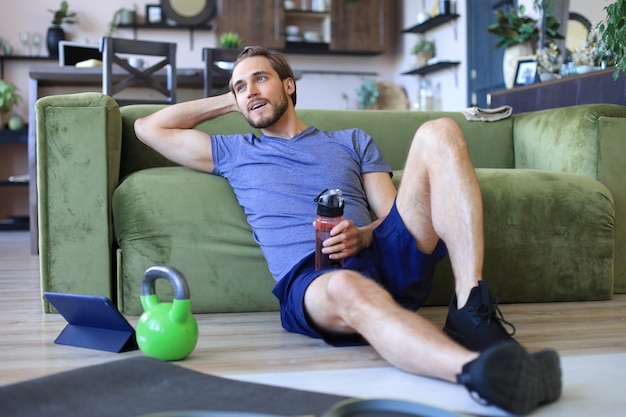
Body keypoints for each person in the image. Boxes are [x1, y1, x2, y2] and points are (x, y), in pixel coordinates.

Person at [134, 46, 561, 415]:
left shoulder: (351, 140)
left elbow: (396, 216)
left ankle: (471, 306)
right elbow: (147, 128)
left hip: (382, 254)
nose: (250, 92)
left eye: (260, 80)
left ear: (289, 85)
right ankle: (478, 373)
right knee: (345, 289)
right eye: (240, 86)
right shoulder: (232, 151)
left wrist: (365, 234)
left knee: (441, 131)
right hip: (314, 276)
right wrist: (232, 99)